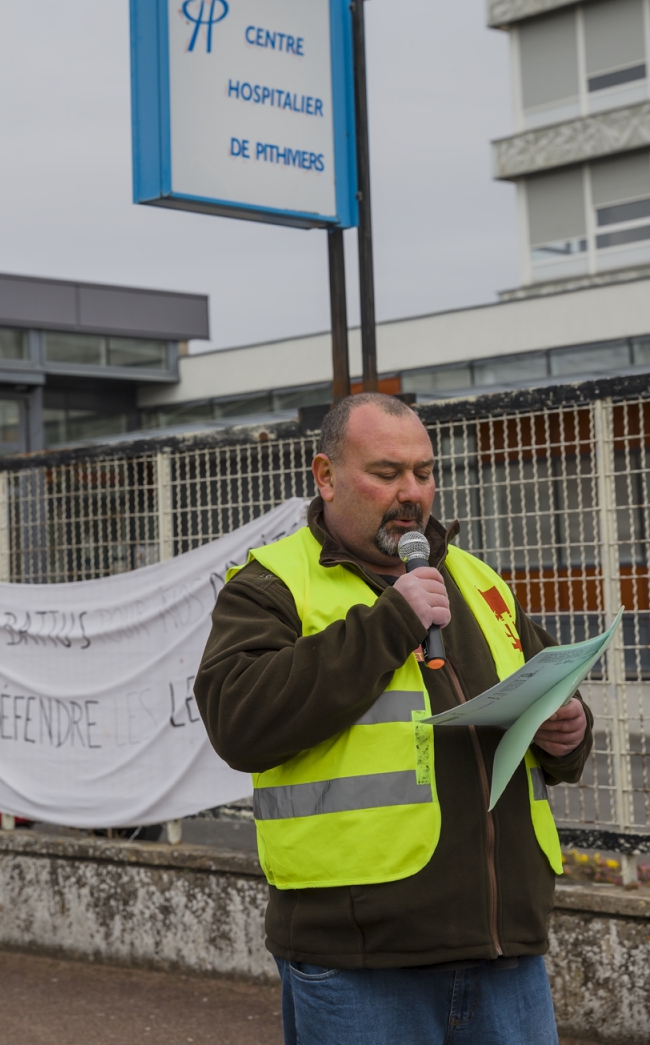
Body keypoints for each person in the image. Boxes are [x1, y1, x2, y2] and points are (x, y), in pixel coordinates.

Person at [194, 392, 592, 1045]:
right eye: (386, 472)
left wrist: (569, 734)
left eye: (424, 472)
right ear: (325, 476)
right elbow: (239, 722)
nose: (411, 492)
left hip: (505, 953)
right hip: (361, 962)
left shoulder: (480, 582)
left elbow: (551, 698)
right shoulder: (271, 586)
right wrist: (390, 626)